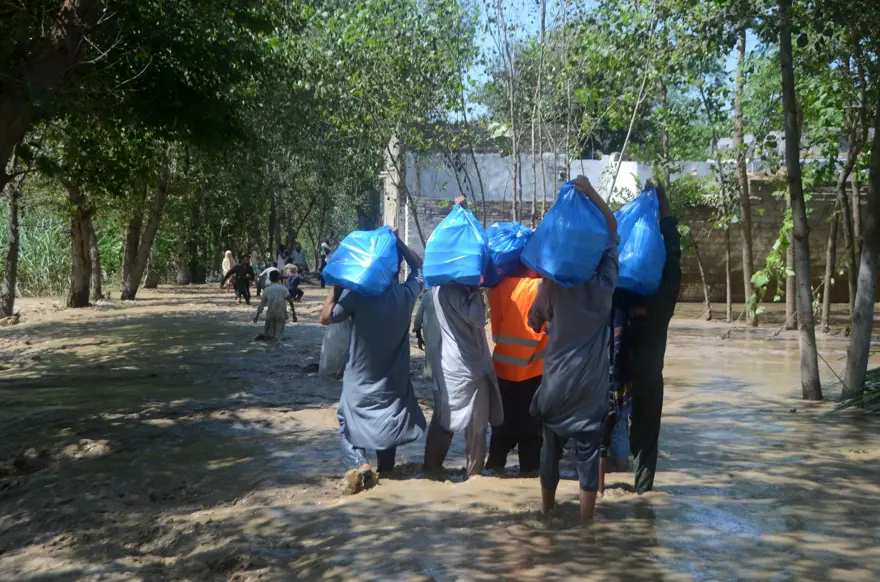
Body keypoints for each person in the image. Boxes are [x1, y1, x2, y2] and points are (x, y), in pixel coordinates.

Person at [527, 175, 618, 524]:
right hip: (591, 386)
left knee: (550, 449)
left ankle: (547, 513)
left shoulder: (552, 286)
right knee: (588, 453)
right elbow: (611, 230)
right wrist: (591, 192)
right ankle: (586, 528)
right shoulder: (606, 284)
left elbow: (534, 323)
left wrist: (548, 320)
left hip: (557, 383)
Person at [319, 231, 426, 495]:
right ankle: (387, 474)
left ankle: (361, 464)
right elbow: (420, 269)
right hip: (393, 380)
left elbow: (325, 318)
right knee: (387, 426)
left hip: (359, 380)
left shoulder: (357, 297)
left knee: (346, 421)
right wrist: (398, 243)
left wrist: (336, 289)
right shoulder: (406, 295)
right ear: (392, 270)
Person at [423, 197, 503, 479]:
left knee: (443, 421)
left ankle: (430, 472)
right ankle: (474, 478)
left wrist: (463, 212)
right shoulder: (461, 293)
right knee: (476, 428)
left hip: (448, 368)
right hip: (469, 368)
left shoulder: (438, 291)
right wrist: (477, 290)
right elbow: (480, 319)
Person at [613, 180, 681, 495]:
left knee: (605, 434)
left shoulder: (618, 298)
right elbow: (672, 240)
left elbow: (610, 250)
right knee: (646, 436)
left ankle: (598, 492)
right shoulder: (665, 298)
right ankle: (643, 493)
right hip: (649, 378)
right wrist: (661, 196)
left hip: (617, 376)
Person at [485, 269, 547, 475]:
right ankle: (530, 477)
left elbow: (495, 327)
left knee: (500, 430)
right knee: (531, 435)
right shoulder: (541, 286)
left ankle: (492, 474)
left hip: (502, 369)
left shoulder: (499, 285)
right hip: (534, 372)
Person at [253, 270, 297, 341]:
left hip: (270, 314)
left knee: (268, 335)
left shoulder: (266, 290)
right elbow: (290, 301)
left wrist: (257, 316)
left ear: (269, 279)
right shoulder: (283, 289)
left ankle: (261, 338)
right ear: (279, 278)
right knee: (278, 337)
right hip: (281, 314)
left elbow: (262, 304)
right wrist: (294, 314)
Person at [413, 289, 439, 380]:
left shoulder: (427, 295)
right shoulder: (450, 294)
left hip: (429, 332)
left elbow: (417, 319)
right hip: (446, 333)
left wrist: (418, 336)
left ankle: (430, 374)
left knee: (430, 355)